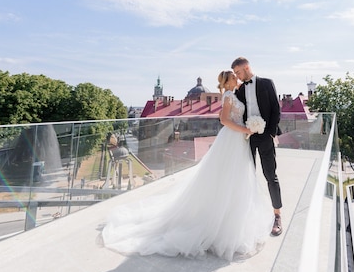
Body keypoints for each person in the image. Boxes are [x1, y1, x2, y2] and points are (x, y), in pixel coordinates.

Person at [101, 70, 273, 261]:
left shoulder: (233, 94)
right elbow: (223, 120)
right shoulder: (228, 96)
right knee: (226, 177)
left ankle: (232, 221)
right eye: (234, 76)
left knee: (236, 179)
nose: (237, 78)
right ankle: (221, 225)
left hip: (238, 140)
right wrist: (245, 129)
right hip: (232, 138)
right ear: (229, 81)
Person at [231, 57, 283, 236]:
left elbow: (276, 110)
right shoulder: (240, 89)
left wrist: (270, 133)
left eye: (238, 72)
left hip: (266, 136)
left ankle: (277, 215)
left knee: (270, 175)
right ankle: (250, 215)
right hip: (248, 138)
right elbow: (234, 111)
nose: (237, 76)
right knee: (248, 176)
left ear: (246, 68)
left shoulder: (266, 83)